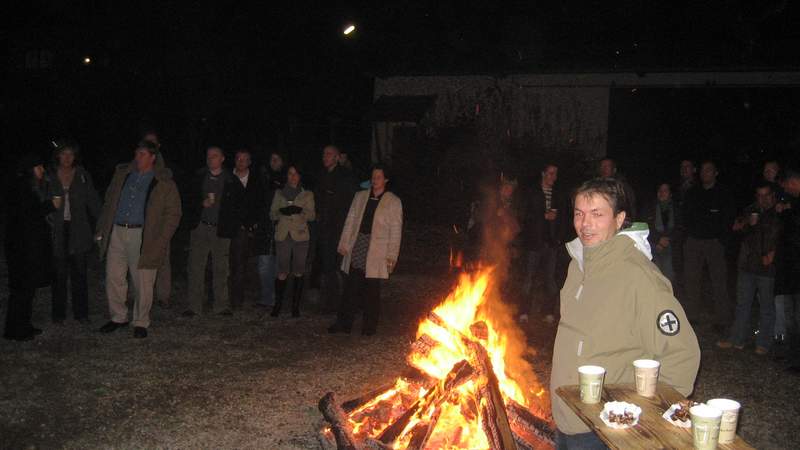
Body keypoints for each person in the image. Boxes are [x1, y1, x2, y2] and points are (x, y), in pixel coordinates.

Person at [550, 178, 700, 448]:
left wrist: (644, 415)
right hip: (566, 417)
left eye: (597, 214)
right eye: (579, 213)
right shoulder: (578, 265)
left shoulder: (638, 276)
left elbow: (682, 354)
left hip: (604, 429)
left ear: (619, 219)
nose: (585, 224)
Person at [95, 141, 181, 338]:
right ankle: (118, 317)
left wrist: (161, 239)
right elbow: (109, 201)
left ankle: (141, 321)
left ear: (152, 157)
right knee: (114, 276)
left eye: (142, 153)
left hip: (143, 235)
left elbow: (174, 214)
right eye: (136, 152)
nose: (137, 156)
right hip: (117, 230)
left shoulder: (163, 181)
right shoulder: (123, 175)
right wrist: (102, 228)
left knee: (142, 280)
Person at [328, 164, 403, 336]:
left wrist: (392, 255)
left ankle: (369, 328)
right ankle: (344, 324)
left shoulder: (393, 201)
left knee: (372, 289)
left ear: (385, 179)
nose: (374, 180)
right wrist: (344, 243)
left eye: (378, 177)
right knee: (351, 285)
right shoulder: (360, 196)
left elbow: (396, 230)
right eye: (373, 177)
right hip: (359, 243)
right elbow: (350, 220)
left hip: (378, 249)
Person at [717, 182, 782, 355]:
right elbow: (737, 228)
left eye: (766, 195)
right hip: (747, 265)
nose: (763, 199)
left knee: (766, 307)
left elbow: (780, 237)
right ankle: (737, 339)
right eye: (759, 195)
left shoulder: (779, 212)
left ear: (772, 195)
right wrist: (746, 224)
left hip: (767, 267)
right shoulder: (750, 210)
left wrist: (773, 254)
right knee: (742, 304)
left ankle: (764, 343)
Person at [48, 140, 102, 325]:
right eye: (64, 154)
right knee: (59, 274)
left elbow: (93, 201)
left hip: (78, 230)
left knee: (79, 273)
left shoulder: (82, 175)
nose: (67, 158)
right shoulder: (50, 176)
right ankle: (58, 314)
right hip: (57, 230)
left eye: (70, 154)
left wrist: (100, 224)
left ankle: (81, 313)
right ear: (58, 156)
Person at [4, 153, 55, 341]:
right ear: (30, 170)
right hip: (22, 250)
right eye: (38, 167)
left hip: (23, 248)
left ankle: (22, 325)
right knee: (22, 290)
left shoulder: (27, 187)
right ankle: (16, 330)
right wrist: (49, 206)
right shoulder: (22, 189)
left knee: (26, 290)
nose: (42, 170)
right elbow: (28, 218)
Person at [182, 146, 237, 316]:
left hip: (220, 230)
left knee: (221, 268)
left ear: (222, 158)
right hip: (200, 227)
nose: (210, 158)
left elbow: (237, 206)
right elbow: (188, 199)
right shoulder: (199, 176)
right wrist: (201, 204)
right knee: (196, 267)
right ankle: (193, 306)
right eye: (208, 156)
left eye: (214, 156)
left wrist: (232, 225)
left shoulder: (230, 179)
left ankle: (221, 306)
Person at [681, 160, 735, 333]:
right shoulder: (692, 192)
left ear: (715, 173)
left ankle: (722, 318)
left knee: (718, 280)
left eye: (709, 170)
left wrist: (721, 238)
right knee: (691, 279)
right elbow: (685, 216)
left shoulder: (723, 193)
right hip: (694, 241)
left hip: (714, 242)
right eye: (703, 170)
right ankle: (692, 315)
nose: (705, 173)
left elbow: (728, 218)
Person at [270, 164, 315, 317]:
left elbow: (312, 216)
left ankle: (295, 306)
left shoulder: (307, 194)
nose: (293, 176)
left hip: (301, 236)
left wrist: (300, 210)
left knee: (299, 270)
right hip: (283, 235)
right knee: (282, 270)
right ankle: (278, 304)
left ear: (300, 176)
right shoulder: (279, 193)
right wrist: (281, 212)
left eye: (296, 174)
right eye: (290, 173)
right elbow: (272, 214)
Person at [315, 145, 356, 313]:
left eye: (329, 154)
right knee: (328, 267)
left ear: (337, 157)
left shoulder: (345, 176)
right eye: (324, 153)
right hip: (325, 229)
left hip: (340, 229)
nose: (325, 156)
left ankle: (348, 304)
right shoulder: (321, 175)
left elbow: (349, 203)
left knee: (343, 267)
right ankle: (330, 303)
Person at [520, 163, 562, 323]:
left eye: (555, 174)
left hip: (551, 243)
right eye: (551, 173)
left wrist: (558, 237)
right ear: (543, 173)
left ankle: (549, 312)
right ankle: (524, 312)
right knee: (529, 277)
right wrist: (543, 217)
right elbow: (526, 216)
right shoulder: (533, 192)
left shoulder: (557, 194)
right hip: (534, 241)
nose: (554, 177)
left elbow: (563, 217)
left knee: (549, 279)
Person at [227, 149, 266, 309]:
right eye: (238, 158)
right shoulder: (227, 177)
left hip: (244, 229)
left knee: (240, 264)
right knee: (224, 263)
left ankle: (236, 300)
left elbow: (260, 203)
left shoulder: (257, 180)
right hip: (226, 227)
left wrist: (253, 222)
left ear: (249, 162)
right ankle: (219, 297)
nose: (241, 162)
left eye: (244, 159)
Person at [141, 129, 174, 307]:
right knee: (138, 256)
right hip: (140, 219)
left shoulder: (162, 168)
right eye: (147, 142)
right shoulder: (137, 164)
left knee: (162, 256)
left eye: (153, 143)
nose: (150, 146)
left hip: (159, 219)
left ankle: (163, 295)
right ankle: (136, 292)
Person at [773, 170, 800, 373]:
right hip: (788, 271)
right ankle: (792, 357)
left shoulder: (793, 208)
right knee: (790, 317)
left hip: (795, 270)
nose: (788, 187)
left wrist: (789, 210)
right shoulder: (787, 206)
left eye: (791, 183)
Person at [255, 152, 285, 308]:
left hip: (282, 229)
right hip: (264, 228)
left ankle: (277, 298)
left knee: (279, 265)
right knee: (264, 264)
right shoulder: (262, 179)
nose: (273, 161)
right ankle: (266, 298)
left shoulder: (287, 181)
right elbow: (257, 202)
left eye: (277, 158)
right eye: (271, 159)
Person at [644, 182, 678, 284]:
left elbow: (680, 227)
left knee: (669, 277)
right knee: (655, 278)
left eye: (665, 190)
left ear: (670, 194)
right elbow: (645, 226)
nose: (662, 193)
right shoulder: (649, 207)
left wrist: (668, 239)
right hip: (653, 246)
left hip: (671, 246)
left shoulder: (676, 208)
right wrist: (658, 240)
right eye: (660, 190)